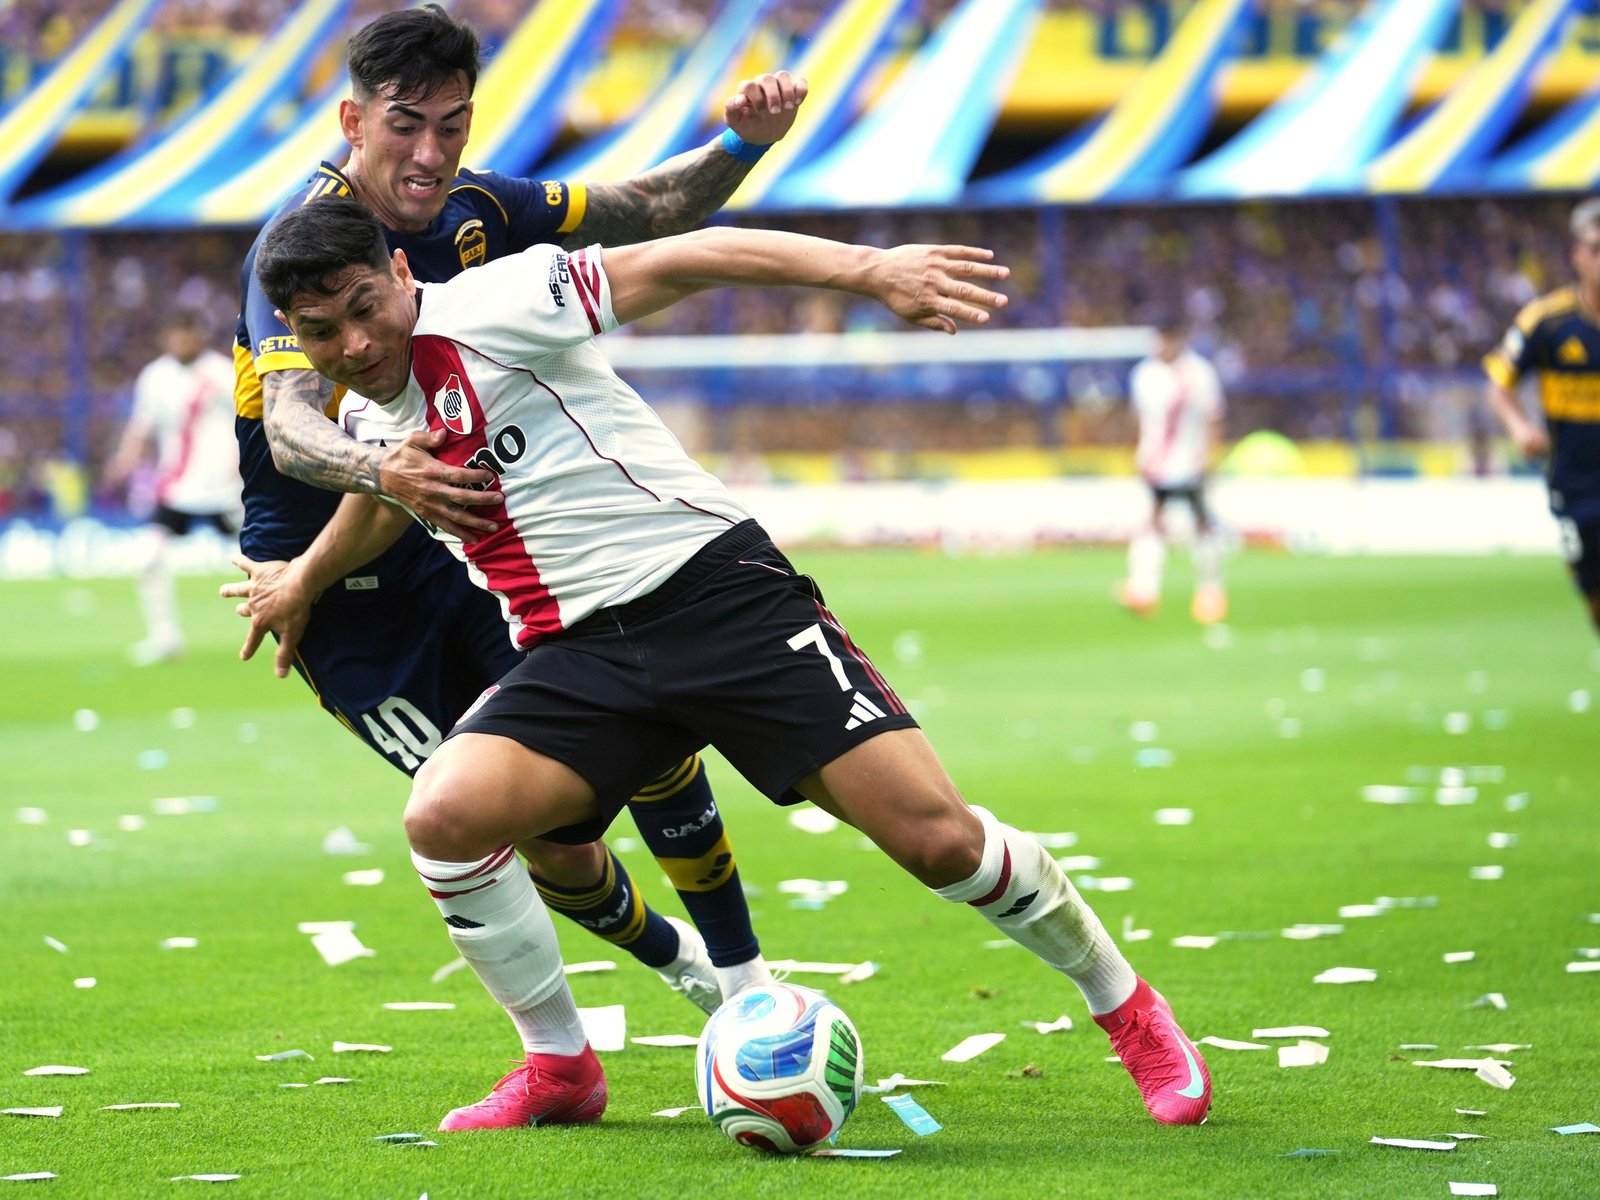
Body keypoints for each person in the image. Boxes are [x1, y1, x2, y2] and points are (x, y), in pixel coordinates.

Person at [245, 194, 1214, 1133]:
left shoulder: (500, 303)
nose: (355, 345)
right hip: (576, 656)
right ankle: (560, 1066)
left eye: (365, 307)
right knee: (445, 817)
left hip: (718, 597)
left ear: (401, 274)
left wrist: (869, 271)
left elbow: (682, 257)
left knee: (937, 841)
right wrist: (301, 583)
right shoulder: (366, 423)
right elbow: (381, 503)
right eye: (322, 332)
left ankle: (1123, 1006)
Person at [225, 5, 808, 1031]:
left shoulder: (481, 207)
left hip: (474, 539)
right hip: (331, 582)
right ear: (353, 119)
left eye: (452, 124)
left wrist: (738, 144)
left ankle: (746, 983)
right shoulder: (299, 246)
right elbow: (289, 428)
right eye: (407, 124)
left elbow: (645, 207)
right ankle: (679, 969)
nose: (431, 150)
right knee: (544, 842)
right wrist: (381, 479)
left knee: (649, 739)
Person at [1484, 197, 1600, 637]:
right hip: (1575, 485)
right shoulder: (1547, 322)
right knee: (1593, 595)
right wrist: (1519, 426)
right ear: (1578, 256)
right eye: (1596, 249)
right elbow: (1499, 381)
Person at [102, 308, 241, 665]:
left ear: (199, 335)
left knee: (261, 558)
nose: (181, 341)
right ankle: (165, 638)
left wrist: (243, 464)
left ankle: (287, 627)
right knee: (148, 557)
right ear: (166, 338)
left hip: (224, 489)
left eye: (187, 333)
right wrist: (124, 460)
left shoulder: (221, 373)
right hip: (177, 489)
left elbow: (249, 420)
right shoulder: (155, 377)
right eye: (175, 334)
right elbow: (141, 426)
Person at [1118, 316, 1227, 625]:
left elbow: (1214, 417)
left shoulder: (1199, 373)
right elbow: (1137, 417)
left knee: (1201, 523)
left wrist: (1209, 456)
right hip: (1154, 464)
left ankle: (1210, 590)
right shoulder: (1145, 373)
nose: (1163, 344)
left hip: (1190, 462)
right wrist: (1133, 452)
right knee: (1151, 521)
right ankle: (1144, 590)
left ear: (1180, 338)